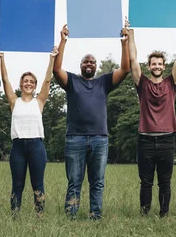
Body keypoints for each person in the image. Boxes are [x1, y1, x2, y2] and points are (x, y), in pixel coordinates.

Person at [53, 23, 130, 219]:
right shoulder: (71, 81)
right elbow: (56, 69)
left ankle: (95, 216)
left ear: (96, 66)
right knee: (75, 181)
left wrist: (124, 42)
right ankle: (71, 216)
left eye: (92, 62)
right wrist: (63, 40)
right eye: (86, 62)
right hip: (75, 139)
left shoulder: (103, 82)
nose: (89, 64)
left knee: (97, 181)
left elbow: (125, 69)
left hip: (99, 138)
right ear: (81, 65)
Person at [128, 19, 176, 217]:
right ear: (149, 66)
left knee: (164, 182)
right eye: (153, 63)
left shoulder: (172, 83)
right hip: (145, 140)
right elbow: (132, 60)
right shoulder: (142, 84)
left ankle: (164, 215)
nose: (156, 66)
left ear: (164, 66)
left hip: (166, 140)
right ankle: (144, 215)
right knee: (146, 182)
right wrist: (131, 33)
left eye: (160, 63)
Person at [0, 47, 58, 216]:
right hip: (18, 148)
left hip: (36, 146)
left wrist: (52, 58)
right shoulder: (14, 101)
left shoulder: (39, 101)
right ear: (21, 84)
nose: (28, 83)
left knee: (38, 184)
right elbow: (5, 80)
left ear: (35, 85)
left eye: (31, 81)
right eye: (25, 81)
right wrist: (1, 58)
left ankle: (40, 215)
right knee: (17, 184)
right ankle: (14, 216)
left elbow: (47, 81)